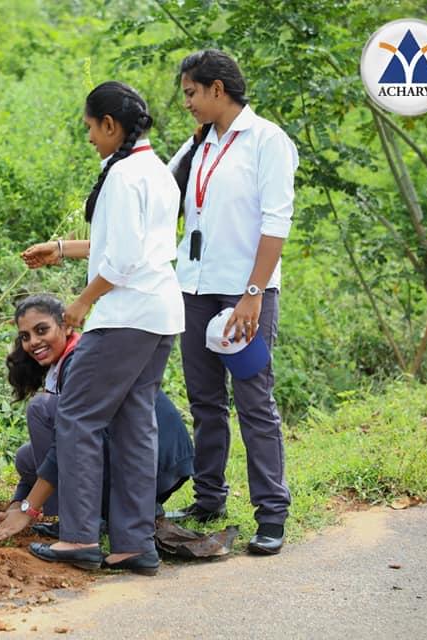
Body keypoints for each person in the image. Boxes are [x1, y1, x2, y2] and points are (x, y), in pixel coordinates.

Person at [18, 81, 184, 575]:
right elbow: (130, 246)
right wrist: (64, 248)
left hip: (125, 315)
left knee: (76, 417)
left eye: (91, 127)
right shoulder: (158, 171)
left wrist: (81, 304)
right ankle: (134, 544)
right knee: (135, 424)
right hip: (160, 313)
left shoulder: (122, 175)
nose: (90, 137)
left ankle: (80, 537)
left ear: (109, 125)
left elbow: (125, 260)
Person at [166, 49, 298, 555]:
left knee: (253, 402)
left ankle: (272, 514)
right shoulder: (200, 143)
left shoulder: (268, 141)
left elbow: (275, 222)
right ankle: (209, 499)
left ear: (217, 89)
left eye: (191, 93)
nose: (188, 103)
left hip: (244, 292)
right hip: (194, 288)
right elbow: (169, 200)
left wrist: (253, 295)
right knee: (205, 403)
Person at [0, 294, 193, 542]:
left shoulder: (82, 363)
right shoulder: (73, 358)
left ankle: (78, 520)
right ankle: (103, 511)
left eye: (42, 330)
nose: (33, 342)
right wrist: (17, 504)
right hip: (157, 465)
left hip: (153, 468)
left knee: (40, 409)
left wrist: (30, 510)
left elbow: (64, 444)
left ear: (66, 325)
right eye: (25, 337)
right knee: (27, 457)